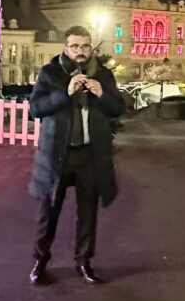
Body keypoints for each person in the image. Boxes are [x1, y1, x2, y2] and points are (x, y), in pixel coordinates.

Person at [28, 26, 125, 285]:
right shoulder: (51, 73)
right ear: (65, 48)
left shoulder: (102, 74)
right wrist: (65, 93)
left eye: (85, 46)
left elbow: (118, 108)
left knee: (87, 212)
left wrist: (102, 94)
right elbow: (35, 108)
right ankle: (40, 261)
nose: (80, 51)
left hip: (89, 155)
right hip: (57, 155)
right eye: (75, 46)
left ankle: (84, 262)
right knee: (48, 212)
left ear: (91, 47)